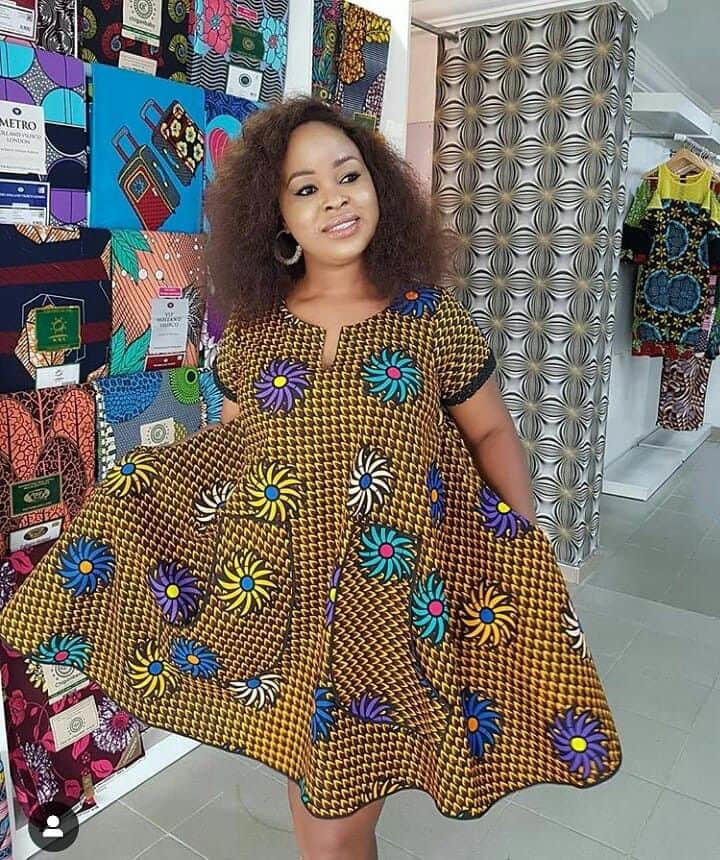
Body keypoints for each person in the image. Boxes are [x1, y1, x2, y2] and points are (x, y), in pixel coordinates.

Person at [0, 96, 621, 860]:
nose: (333, 198)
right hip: (287, 614)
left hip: (389, 608)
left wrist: (520, 549)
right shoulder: (255, 334)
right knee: (316, 808)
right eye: (304, 188)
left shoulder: (432, 321)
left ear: (379, 190)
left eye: (348, 176)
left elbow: (491, 431)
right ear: (278, 220)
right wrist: (146, 498)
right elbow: (233, 458)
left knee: (333, 833)